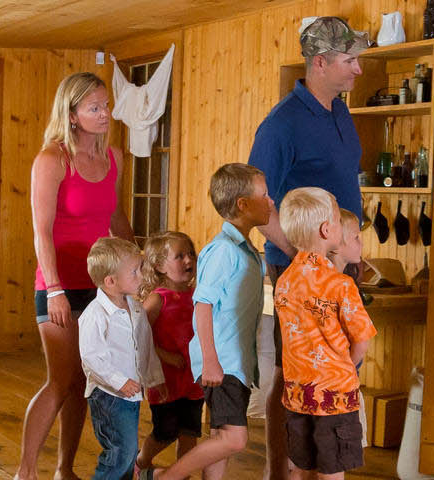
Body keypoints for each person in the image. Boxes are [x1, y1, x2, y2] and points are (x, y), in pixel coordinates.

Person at [246, 18, 370, 476]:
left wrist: (351, 250)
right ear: (319, 63)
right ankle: (281, 471)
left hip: (340, 265)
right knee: (295, 371)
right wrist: (305, 259)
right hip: (298, 271)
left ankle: (324, 467)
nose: (358, 69)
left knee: (335, 366)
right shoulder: (281, 125)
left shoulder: (340, 111)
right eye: (349, 60)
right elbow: (260, 207)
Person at [24, 71, 135, 480]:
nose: (104, 114)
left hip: (99, 286)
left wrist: (137, 265)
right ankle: (26, 471)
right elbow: (41, 229)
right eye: (94, 108)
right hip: (58, 286)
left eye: (106, 106)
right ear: (71, 115)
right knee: (60, 380)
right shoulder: (52, 160)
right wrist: (53, 289)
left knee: (83, 385)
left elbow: (117, 218)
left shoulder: (114, 158)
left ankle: (64, 469)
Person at [155, 164, 275, 480]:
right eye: (264, 195)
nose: (271, 201)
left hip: (237, 362)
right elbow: (202, 305)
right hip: (223, 362)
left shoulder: (247, 249)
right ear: (242, 205)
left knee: (222, 437)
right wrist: (210, 360)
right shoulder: (222, 251)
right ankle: (165, 477)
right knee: (234, 438)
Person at [273, 187, 376, 479]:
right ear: (327, 229)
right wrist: (349, 370)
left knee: (301, 467)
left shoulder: (285, 281)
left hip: (297, 395)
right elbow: (362, 338)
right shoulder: (340, 284)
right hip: (335, 397)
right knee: (332, 471)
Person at [135, 232, 224, 480]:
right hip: (165, 380)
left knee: (189, 431)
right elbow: (139, 338)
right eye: (180, 256)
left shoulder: (199, 295)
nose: (188, 260)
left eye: (191, 254)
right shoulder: (157, 300)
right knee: (165, 431)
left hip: (193, 380)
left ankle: (180, 474)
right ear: (159, 266)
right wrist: (165, 355)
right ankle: (141, 460)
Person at [78, 236, 164, 480]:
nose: (141, 276)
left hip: (130, 394)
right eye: (135, 272)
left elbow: (145, 346)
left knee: (126, 454)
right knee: (120, 452)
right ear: (110, 281)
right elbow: (92, 358)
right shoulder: (95, 315)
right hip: (109, 396)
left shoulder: (135, 308)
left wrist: (154, 379)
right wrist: (119, 381)